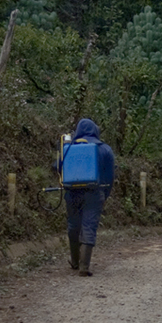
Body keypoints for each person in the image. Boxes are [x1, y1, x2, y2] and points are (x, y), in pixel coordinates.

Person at [64, 118, 114, 277]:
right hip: (94, 193)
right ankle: (84, 267)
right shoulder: (104, 149)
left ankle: (75, 261)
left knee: (73, 225)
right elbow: (109, 175)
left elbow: (58, 167)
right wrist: (105, 194)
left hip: (72, 193)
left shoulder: (68, 148)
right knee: (89, 225)